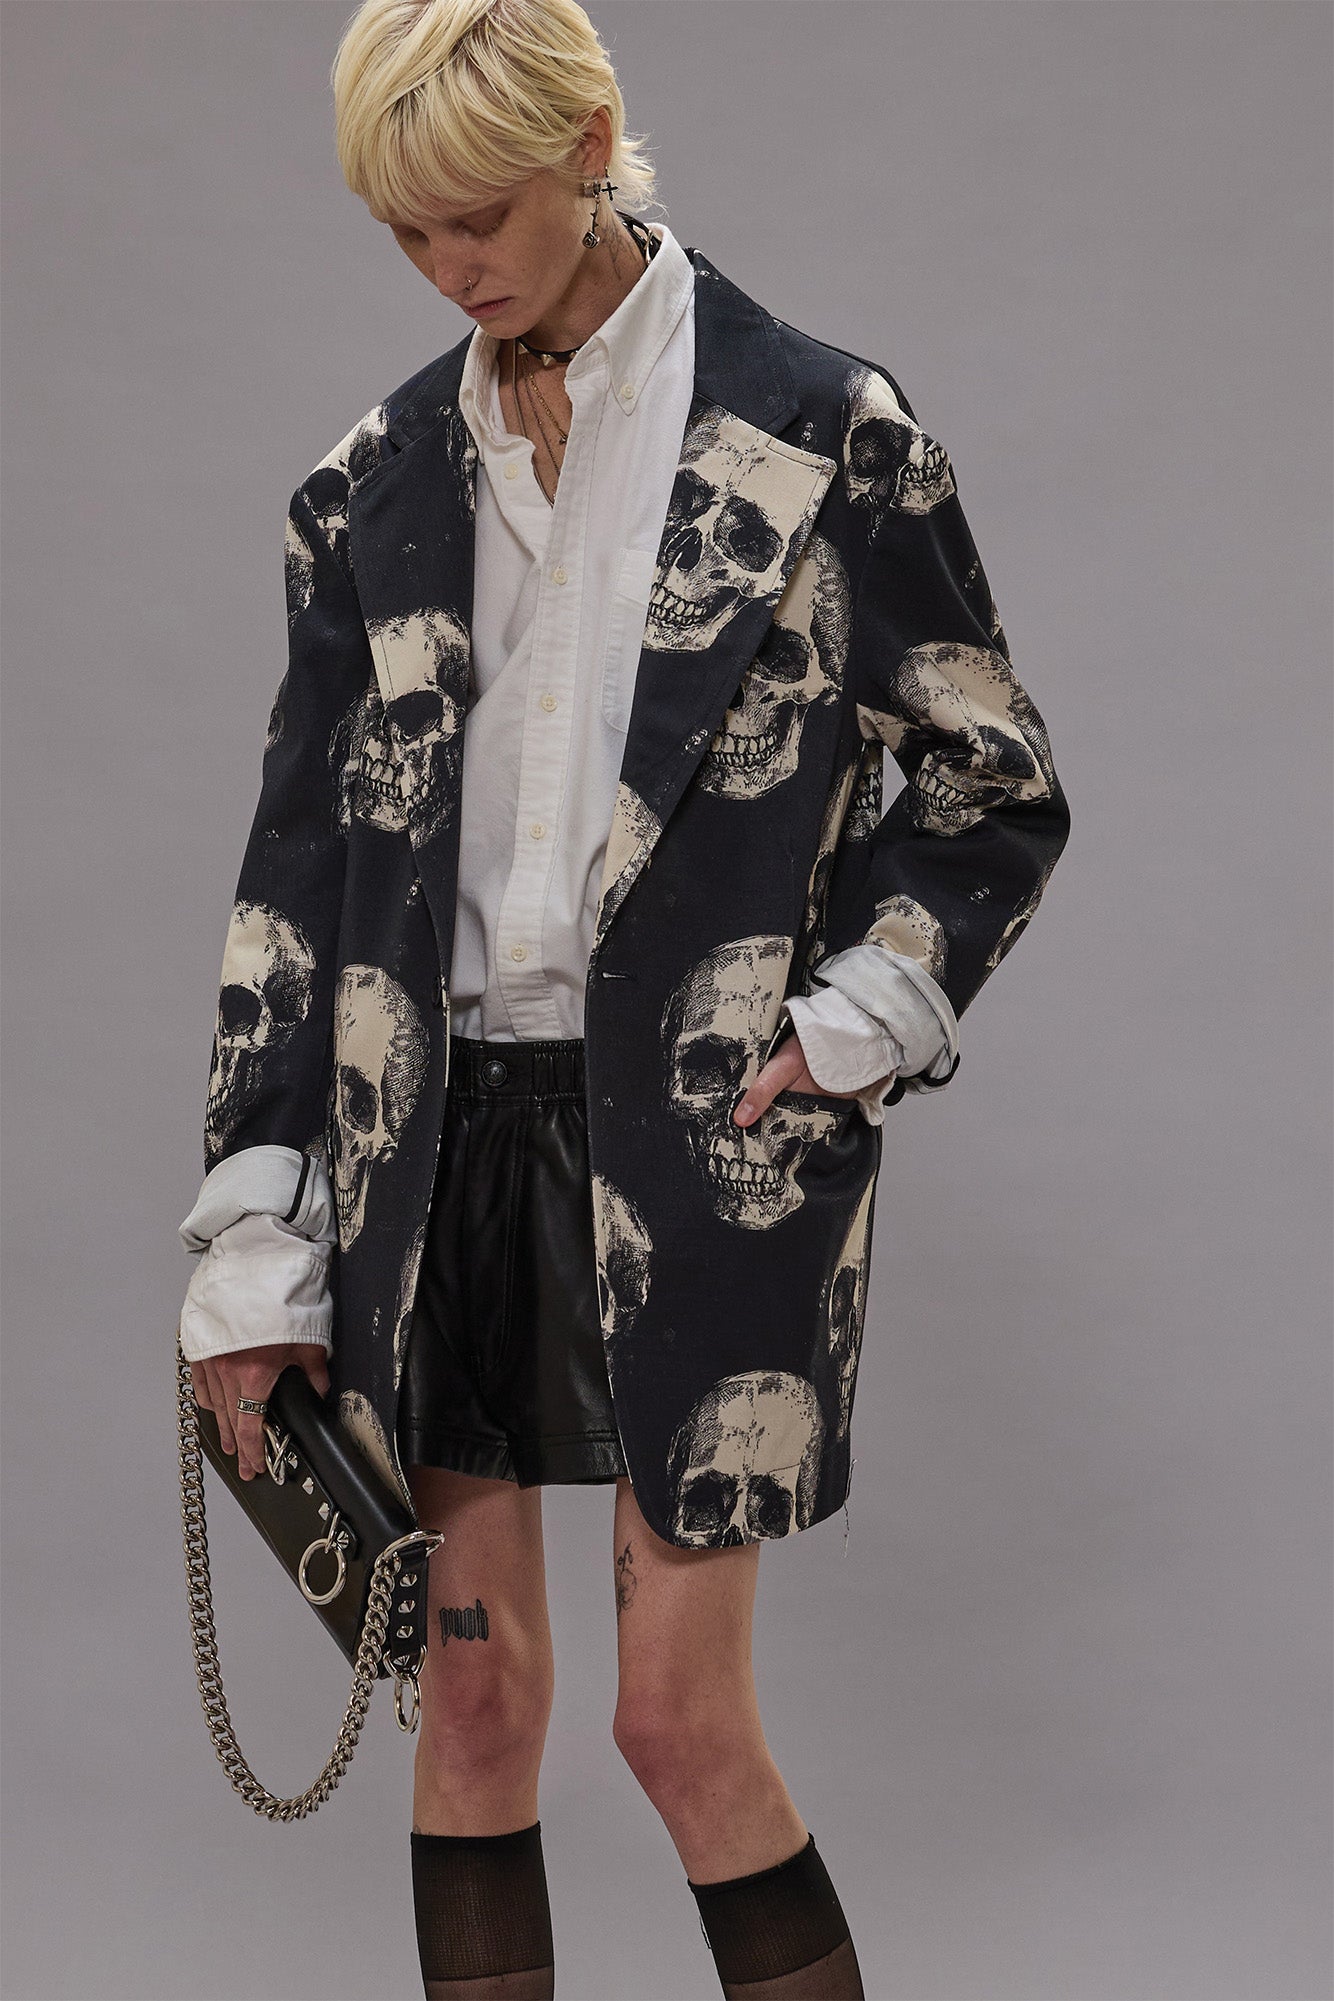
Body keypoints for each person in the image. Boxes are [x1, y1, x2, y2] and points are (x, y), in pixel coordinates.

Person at [177, 2, 1071, 1994]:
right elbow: (297, 880)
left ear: (588, 142)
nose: (450, 267)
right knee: (473, 1709)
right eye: (406, 233)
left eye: (478, 214)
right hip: (428, 1144)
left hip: (700, 1137)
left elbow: (988, 780)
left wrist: (851, 1023)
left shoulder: (823, 432)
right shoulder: (367, 486)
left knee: (677, 1724)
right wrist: (250, 1225)